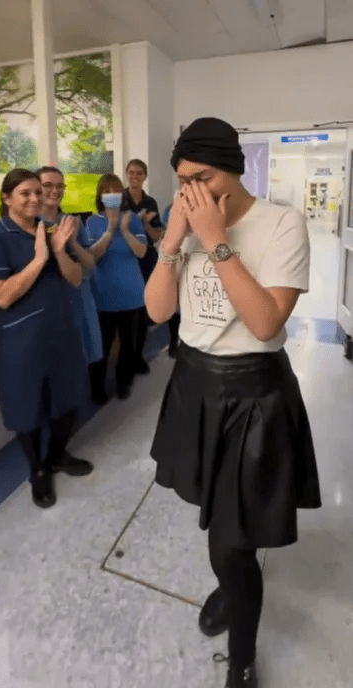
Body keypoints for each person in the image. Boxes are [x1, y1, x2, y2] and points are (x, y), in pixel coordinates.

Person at [145, 118, 321, 688]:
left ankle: (242, 659)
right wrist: (172, 243)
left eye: (204, 176)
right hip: (197, 386)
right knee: (219, 521)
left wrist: (216, 239)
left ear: (235, 169)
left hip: (253, 395)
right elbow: (157, 313)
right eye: (182, 180)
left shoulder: (281, 224)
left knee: (234, 542)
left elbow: (267, 322)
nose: (192, 191)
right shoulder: (186, 222)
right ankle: (229, 580)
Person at [0, 169, 93, 510]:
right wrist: (41, 257)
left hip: (61, 332)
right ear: (7, 198)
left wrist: (58, 249)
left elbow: (74, 279)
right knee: (26, 408)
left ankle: (57, 455)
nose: (34, 199)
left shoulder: (51, 229)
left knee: (70, 399)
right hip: (21, 340)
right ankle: (37, 470)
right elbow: (2, 296)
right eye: (25, 193)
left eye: (37, 193)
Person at [37, 165, 105, 405]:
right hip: (49, 305)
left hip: (78, 298)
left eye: (59, 185)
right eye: (48, 185)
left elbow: (90, 264)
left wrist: (73, 242)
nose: (55, 191)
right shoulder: (29, 225)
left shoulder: (73, 222)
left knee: (82, 357)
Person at [85, 173, 147, 400]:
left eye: (116, 191)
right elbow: (92, 256)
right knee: (101, 346)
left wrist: (125, 230)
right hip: (103, 296)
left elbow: (141, 251)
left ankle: (124, 383)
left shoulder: (132, 218)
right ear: (100, 196)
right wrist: (110, 230)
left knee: (129, 346)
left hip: (132, 295)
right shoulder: (92, 222)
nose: (112, 195)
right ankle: (97, 388)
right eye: (107, 191)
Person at [122, 159, 164, 374]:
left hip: (146, 260)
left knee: (143, 309)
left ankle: (138, 355)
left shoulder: (150, 202)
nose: (135, 177)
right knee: (127, 311)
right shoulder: (119, 200)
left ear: (145, 176)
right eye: (131, 173)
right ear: (126, 174)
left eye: (139, 173)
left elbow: (157, 237)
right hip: (125, 261)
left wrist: (145, 222)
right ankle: (125, 358)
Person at [161, 201, 181, 358]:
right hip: (174, 256)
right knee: (173, 304)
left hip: (191, 254)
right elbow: (164, 230)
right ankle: (173, 340)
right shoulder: (170, 208)